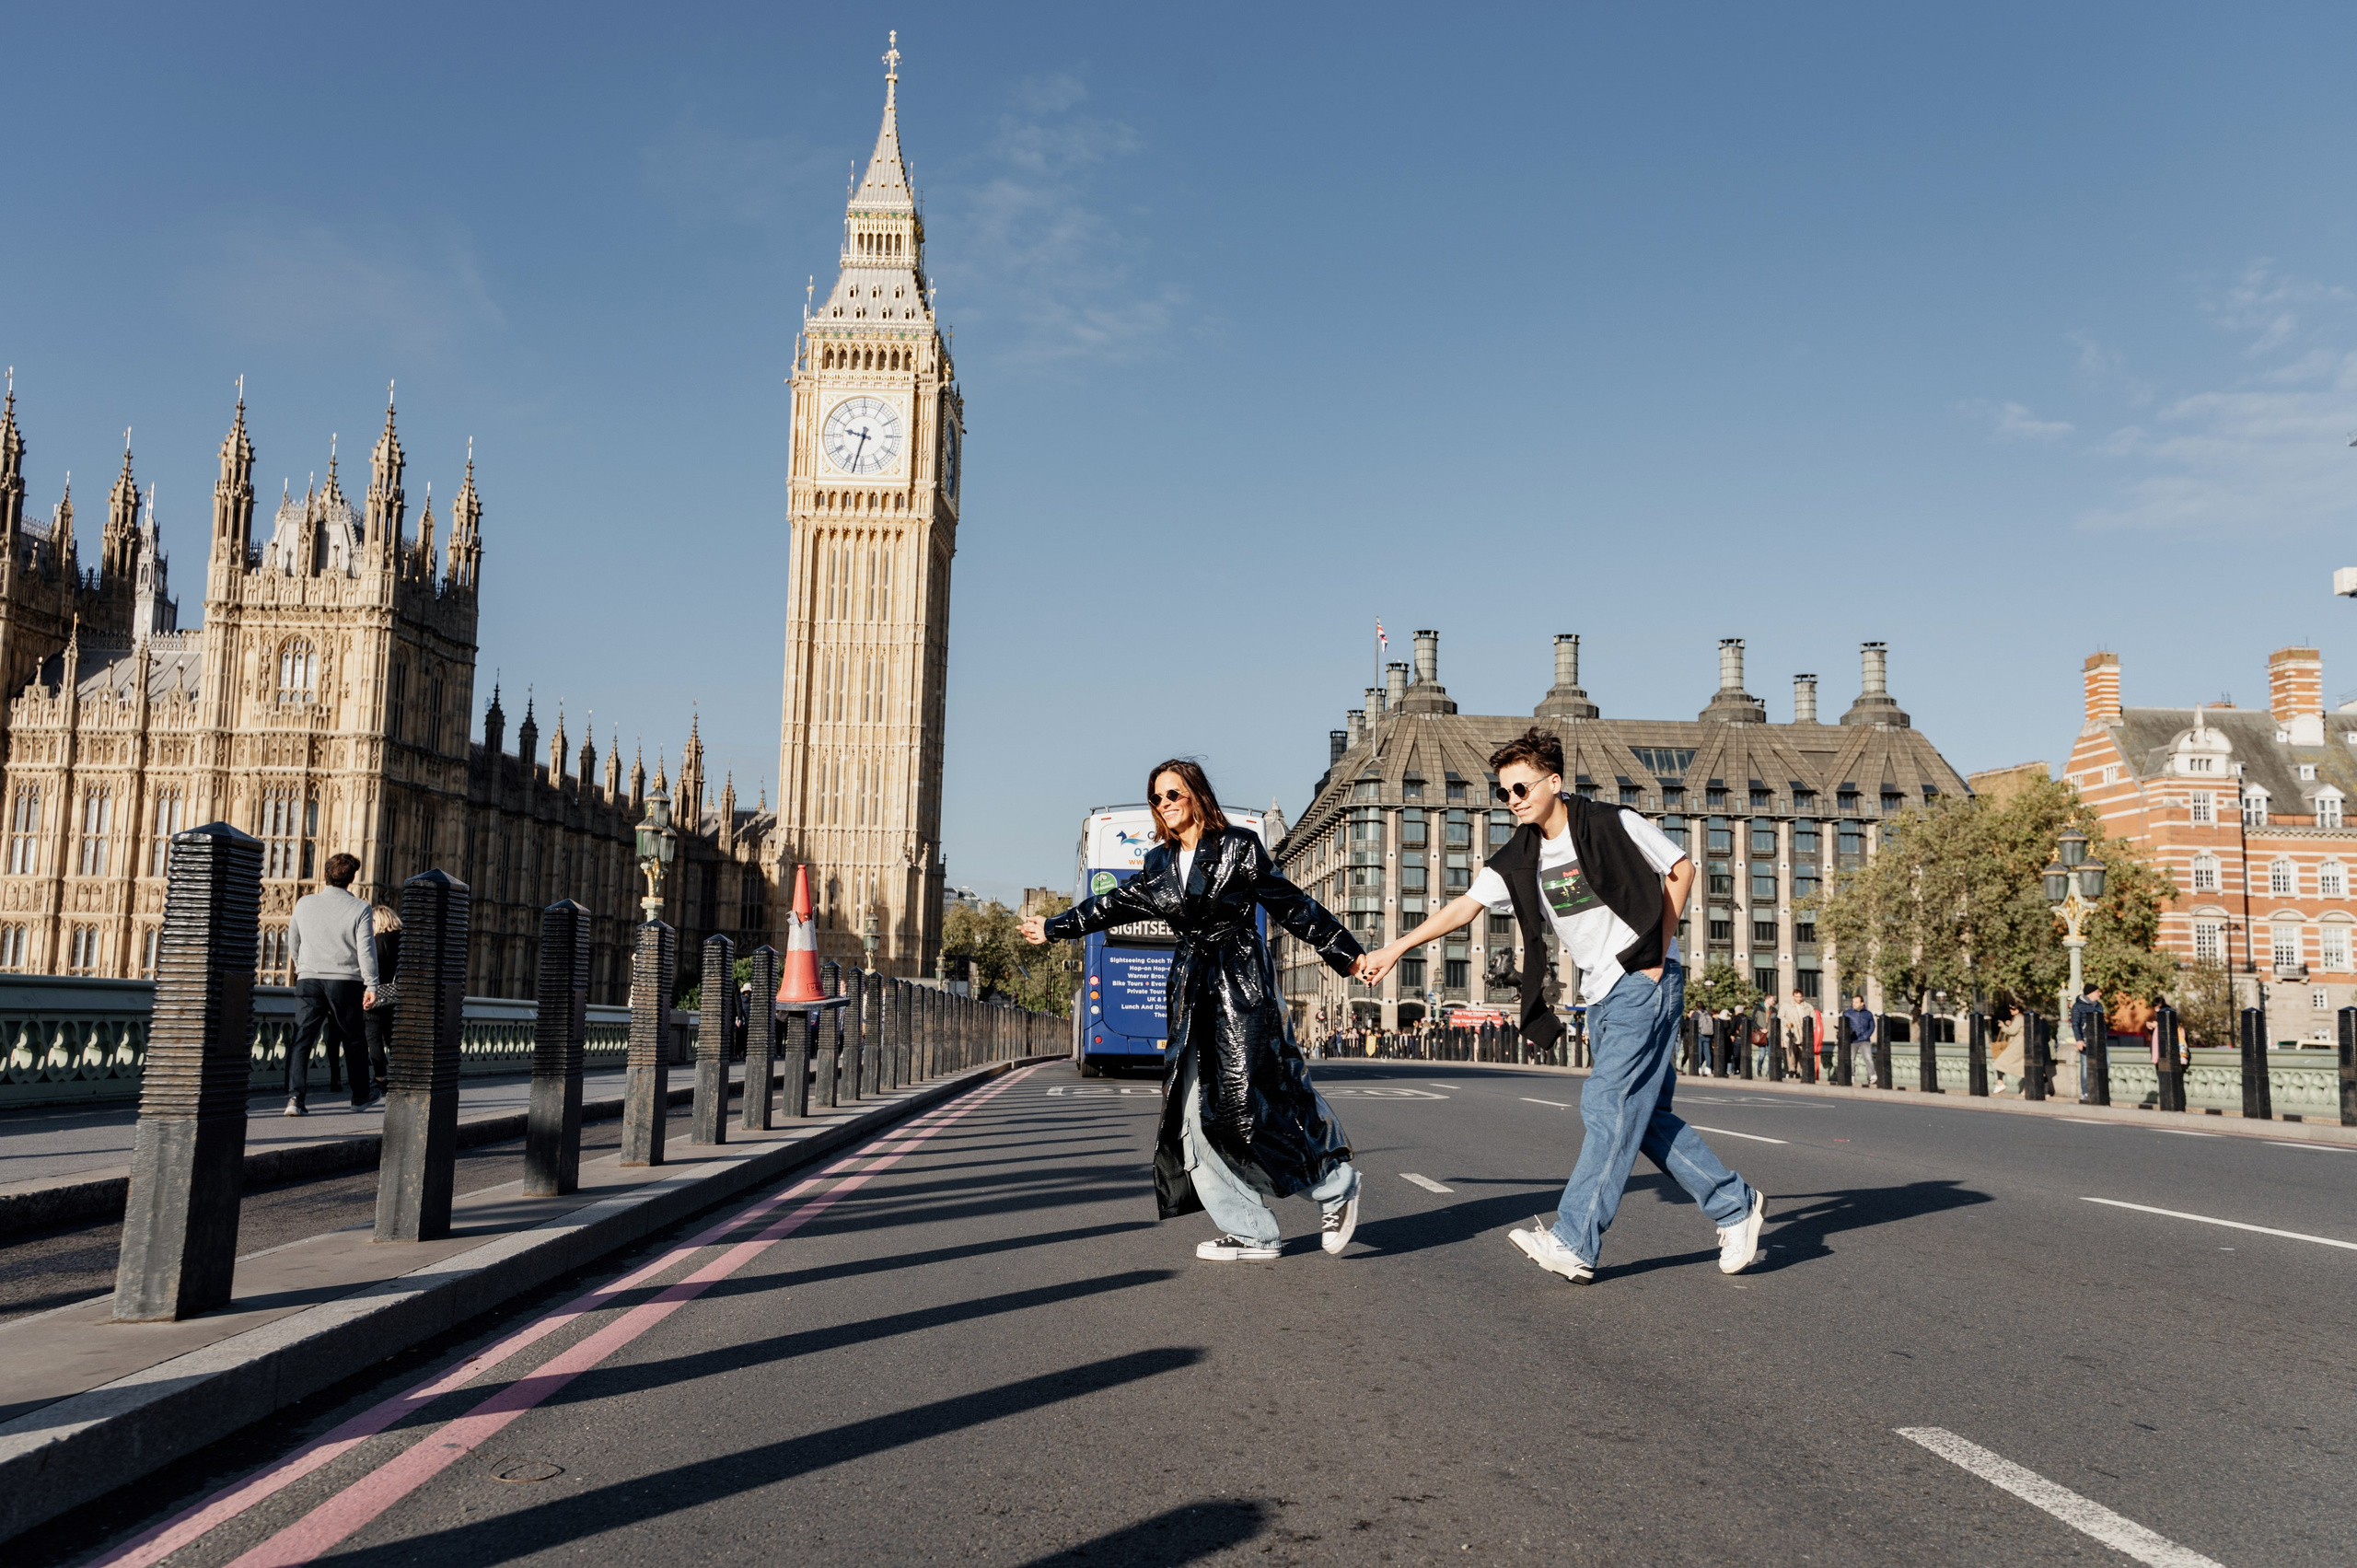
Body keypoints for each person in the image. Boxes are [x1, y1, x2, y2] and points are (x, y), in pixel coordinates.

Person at [1362, 726, 1765, 1284]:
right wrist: (1395, 947)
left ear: (1554, 782)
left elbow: (1681, 869)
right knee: (1643, 1118)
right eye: (1504, 794)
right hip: (1599, 993)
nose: (1513, 801)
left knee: (1606, 1106)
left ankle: (1574, 1240)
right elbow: (1464, 907)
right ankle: (1735, 1206)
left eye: (1522, 789)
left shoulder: (1611, 822)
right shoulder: (1521, 855)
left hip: (1640, 982)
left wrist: (1656, 950)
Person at [1023, 760, 1369, 1262]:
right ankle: (1251, 1231)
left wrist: (1347, 952)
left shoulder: (1238, 848)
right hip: (1190, 996)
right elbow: (1110, 906)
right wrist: (1053, 927)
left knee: (1247, 1111)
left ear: (1197, 796)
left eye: (1173, 795)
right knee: (1189, 1117)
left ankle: (1335, 1186)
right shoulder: (1159, 864)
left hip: (1239, 991)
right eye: (1157, 799)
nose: (1164, 806)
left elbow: (1293, 905)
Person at [285, 853, 379, 1115]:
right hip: (344, 981)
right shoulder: (360, 908)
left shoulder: (305, 903)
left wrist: (302, 966)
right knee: (353, 1039)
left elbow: (293, 940)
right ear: (351, 879)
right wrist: (371, 984)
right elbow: (366, 950)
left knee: (302, 1038)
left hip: (309, 979)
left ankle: (295, 1098)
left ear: (324, 875)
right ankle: (360, 1096)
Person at [356, 905, 401, 1107]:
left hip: (377, 996)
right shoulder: (404, 940)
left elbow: (370, 969)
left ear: (379, 921)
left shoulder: (378, 942)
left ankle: (381, 1078)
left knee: (373, 1037)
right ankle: (402, 1074)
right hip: (397, 997)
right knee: (393, 1038)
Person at [2070, 982, 2106, 1103]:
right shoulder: (2077, 1006)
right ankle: (2085, 1091)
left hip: (2099, 1039)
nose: (2100, 994)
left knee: (2107, 1062)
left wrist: (2104, 1036)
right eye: (2097, 992)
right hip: (2085, 1039)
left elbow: (2102, 1023)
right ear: (2090, 993)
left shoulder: (2099, 1006)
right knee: (2085, 1066)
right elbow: (2075, 1024)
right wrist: (2079, 1039)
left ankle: (2100, 1089)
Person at [1842, 994, 1877, 1086]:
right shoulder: (1847, 1013)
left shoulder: (1868, 1014)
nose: (1854, 1004)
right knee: (1851, 1059)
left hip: (1865, 1039)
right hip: (1852, 1040)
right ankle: (1851, 1076)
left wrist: (1867, 1035)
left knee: (1868, 1058)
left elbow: (1872, 1026)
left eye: (1856, 1002)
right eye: (1853, 1002)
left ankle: (1873, 1076)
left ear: (1862, 1003)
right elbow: (1844, 1026)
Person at [1785, 989, 1818, 1084]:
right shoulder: (1787, 1006)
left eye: (1800, 996)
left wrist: (1811, 1030)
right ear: (1793, 996)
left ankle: (1799, 1071)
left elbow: (1814, 1020)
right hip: (1791, 1033)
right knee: (1791, 1052)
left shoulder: (1808, 1007)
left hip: (1803, 1033)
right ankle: (1791, 1070)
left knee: (1801, 1054)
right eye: (1796, 997)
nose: (1799, 999)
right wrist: (1786, 1024)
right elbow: (1781, 1017)